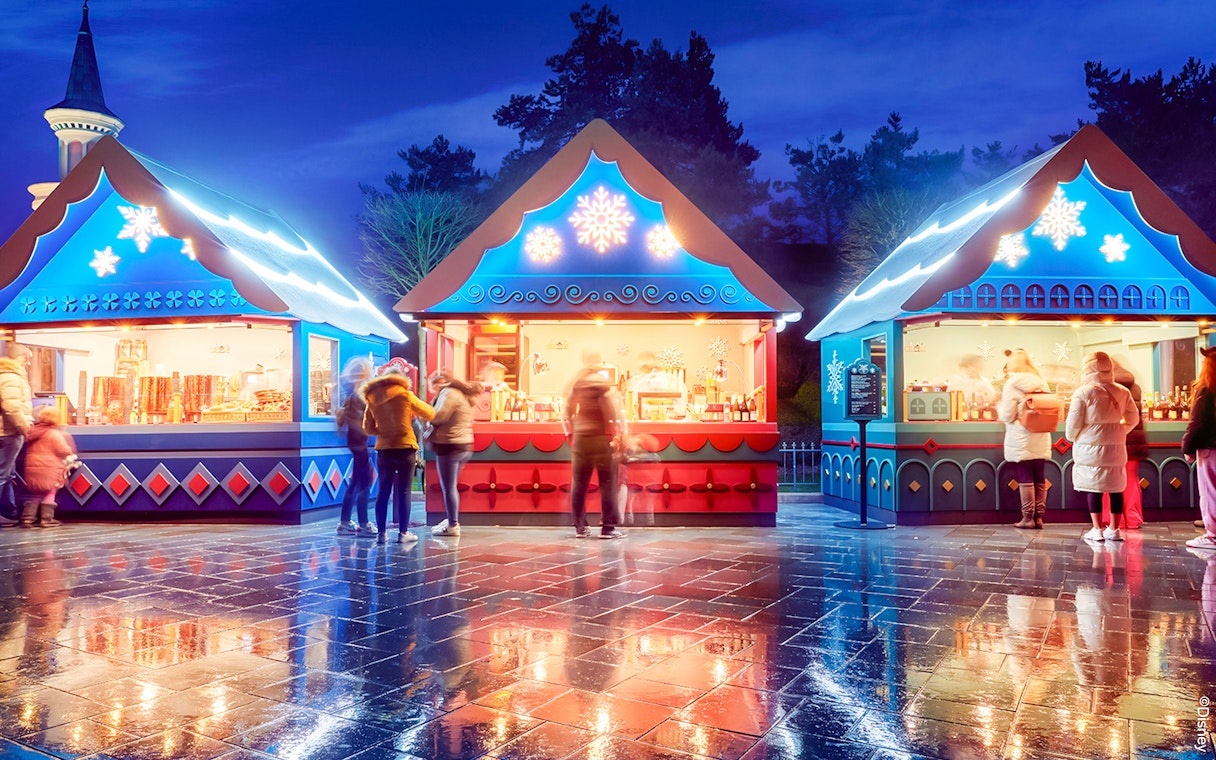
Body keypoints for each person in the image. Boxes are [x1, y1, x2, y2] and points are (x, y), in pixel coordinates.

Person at [1066, 351, 1138, 543]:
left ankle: (1097, 529)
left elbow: (1073, 425)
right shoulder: (1122, 391)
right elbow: (1133, 418)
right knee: (1115, 488)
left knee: (1094, 487)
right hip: (1115, 447)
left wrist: (1074, 437)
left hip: (1090, 448)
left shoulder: (1083, 392)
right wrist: (1120, 431)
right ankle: (1114, 529)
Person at [362, 364, 435, 546]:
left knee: (383, 491)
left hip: (384, 449)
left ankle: (381, 534)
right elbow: (429, 412)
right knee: (404, 491)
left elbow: (367, 428)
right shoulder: (405, 394)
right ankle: (403, 533)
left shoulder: (372, 397)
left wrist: (385, 429)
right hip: (405, 448)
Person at [564, 350, 625, 539]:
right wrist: (617, 433)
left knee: (579, 484)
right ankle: (608, 528)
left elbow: (567, 409)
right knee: (607, 483)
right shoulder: (602, 383)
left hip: (581, 439)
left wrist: (575, 430)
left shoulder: (577, 382)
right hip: (600, 438)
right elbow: (611, 411)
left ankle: (580, 527)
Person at [998, 348, 1053, 529]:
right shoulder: (1041, 381)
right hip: (1041, 433)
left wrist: (998, 406)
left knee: (1025, 475)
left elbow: (1007, 414)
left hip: (1022, 434)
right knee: (1039, 475)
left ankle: (1027, 518)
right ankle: (1039, 518)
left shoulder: (1012, 383)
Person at [426, 370, 483, 537]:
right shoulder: (462, 393)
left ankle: (452, 525)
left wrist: (424, 413)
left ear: (438, 384)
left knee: (449, 488)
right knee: (451, 487)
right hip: (464, 444)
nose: (433, 391)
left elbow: (438, 416)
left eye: (432, 388)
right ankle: (451, 520)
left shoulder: (449, 392)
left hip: (449, 445)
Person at [336, 357, 374, 536]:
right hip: (359, 441)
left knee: (356, 482)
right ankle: (364, 524)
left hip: (354, 440)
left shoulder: (350, 392)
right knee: (364, 482)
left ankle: (345, 522)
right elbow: (367, 416)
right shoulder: (361, 393)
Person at [20, 407, 77, 528]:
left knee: (35, 493)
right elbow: (62, 450)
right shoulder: (53, 434)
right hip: (49, 468)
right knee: (50, 491)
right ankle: (46, 519)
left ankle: (27, 518)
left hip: (32, 468)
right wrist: (70, 451)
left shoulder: (32, 432)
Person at [1183, 346, 1216, 551]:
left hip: (1209, 447)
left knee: (1210, 492)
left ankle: (1212, 535)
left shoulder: (1206, 389)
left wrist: (1187, 446)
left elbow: (1196, 422)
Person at [1112, 360, 1148, 529]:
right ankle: (1133, 519)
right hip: (1135, 443)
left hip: (1115, 441)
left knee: (1111, 482)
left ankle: (1113, 520)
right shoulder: (1136, 388)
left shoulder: (1110, 389)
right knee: (1131, 480)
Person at [0, 344, 33, 527]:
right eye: (28, 359)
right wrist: (24, 427)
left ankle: (9, 513)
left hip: (6, 431)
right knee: (2, 475)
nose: (28, 364)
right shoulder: (11, 376)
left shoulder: (5, 374)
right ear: (23, 359)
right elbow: (11, 407)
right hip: (8, 432)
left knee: (8, 473)